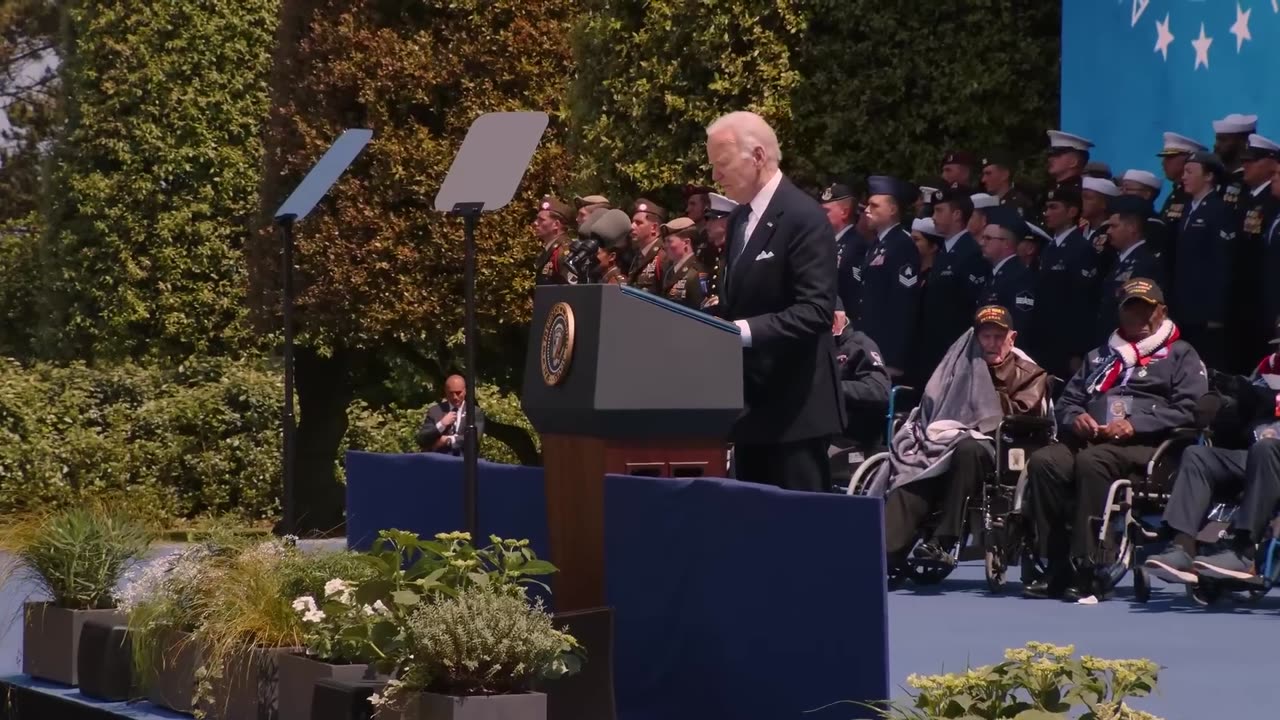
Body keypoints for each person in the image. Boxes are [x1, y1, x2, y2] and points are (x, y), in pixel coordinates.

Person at [1022, 278, 1207, 600]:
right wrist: (1075, 418)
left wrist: (1135, 424)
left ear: (1161, 311)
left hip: (1148, 447)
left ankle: (1090, 565)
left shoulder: (1180, 354)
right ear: (1121, 313)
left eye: (1146, 309)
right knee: (1044, 461)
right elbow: (1067, 402)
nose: (1140, 316)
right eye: (1132, 308)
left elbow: (1191, 410)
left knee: (1092, 462)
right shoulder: (1100, 356)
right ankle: (1055, 564)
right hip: (1093, 438)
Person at [703, 110, 844, 492]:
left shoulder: (804, 217)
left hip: (796, 409)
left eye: (723, 164)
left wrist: (740, 332)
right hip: (752, 407)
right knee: (754, 529)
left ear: (759, 156)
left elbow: (815, 310)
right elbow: (734, 301)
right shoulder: (738, 222)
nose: (716, 176)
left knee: (799, 534)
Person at [881, 305, 1048, 575]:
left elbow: (1021, 415)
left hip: (999, 447)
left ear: (1012, 338)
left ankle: (943, 541)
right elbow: (935, 402)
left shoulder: (1030, 374)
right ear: (975, 338)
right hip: (946, 440)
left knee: (968, 448)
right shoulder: (958, 366)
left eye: (998, 337)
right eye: (985, 337)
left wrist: (985, 392)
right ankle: (885, 551)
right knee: (914, 463)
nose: (991, 344)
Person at [1144, 325, 1280, 586]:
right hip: (1257, 455)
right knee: (1198, 455)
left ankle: (1243, 551)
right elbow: (1242, 422)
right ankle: (1181, 547)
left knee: (1265, 450)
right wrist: (1229, 402)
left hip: (1270, 455)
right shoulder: (1267, 371)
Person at [915, 187, 987, 385]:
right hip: (932, 349)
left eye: (939, 211)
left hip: (953, 349)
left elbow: (970, 303)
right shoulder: (945, 251)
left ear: (956, 214)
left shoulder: (971, 253)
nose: (934, 216)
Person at [1171, 151, 1234, 370]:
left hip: (1205, 307)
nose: (1184, 177)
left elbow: (1221, 263)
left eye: (1190, 171)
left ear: (1208, 176)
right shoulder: (1187, 208)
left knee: (1206, 364)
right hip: (1185, 304)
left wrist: (1216, 312)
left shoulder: (1218, 209)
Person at [856, 175, 921, 379]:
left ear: (892, 210)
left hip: (886, 351)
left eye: (875, 206)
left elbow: (903, 305)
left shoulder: (902, 245)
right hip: (870, 344)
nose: (867, 210)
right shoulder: (876, 245)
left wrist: (894, 358)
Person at [1030, 185, 1097, 380]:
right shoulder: (1050, 248)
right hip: (1044, 338)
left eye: (1054, 207)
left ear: (1072, 211)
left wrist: (1076, 351)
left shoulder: (1081, 248)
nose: (1047, 213)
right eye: (1047, 208)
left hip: (1065, 344)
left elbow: (1083, 303)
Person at [1096, 196, 1165, 344]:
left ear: (1132, 227)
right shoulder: (1119, 260)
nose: (1108, 231)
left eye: (1114, 226)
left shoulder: (1146, 262)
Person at [1238, 134, 1280, 362]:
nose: (1245, 165)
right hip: (1259, 300)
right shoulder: (1251, 199)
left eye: (1252, 160)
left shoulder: (1271, 204)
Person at [832, 310, 891, 448]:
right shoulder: (820, 346)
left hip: (851, 437)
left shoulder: (860, 345)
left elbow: (879, 391)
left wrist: (832, 387)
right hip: (820, 431)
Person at [978, 206, 1036, 332]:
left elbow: (1019, 323)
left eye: (988, 238)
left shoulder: (1019, 277)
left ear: (1006, 243)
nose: (981, 243)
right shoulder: (994, 274)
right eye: (982, 238)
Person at [821, 182, 870, 316]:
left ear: (844, 212)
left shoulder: (855, 246)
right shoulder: (829, 241)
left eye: (826, 211)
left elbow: (854, 291)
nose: (821, 215)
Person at [416, 375, 486, 456]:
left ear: (465, 391)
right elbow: (422, 440)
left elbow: (474, 439)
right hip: (439, 462)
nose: (455, 397)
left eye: (458, 393)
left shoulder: (474, 412)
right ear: (445, 391)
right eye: (451, 393)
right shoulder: (435, 411)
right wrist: (441, 424)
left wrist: (448, 440)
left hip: (464, 463)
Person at [1118, 169, 1169, 261]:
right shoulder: (1117, 218)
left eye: (1128, 189)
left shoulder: (1154, 224)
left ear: (1147, 194)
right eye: (1122, 189)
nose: (1123, 193)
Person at [1211, 113, 1257, 213]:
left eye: (1222, 140)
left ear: (1243, 142)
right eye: (1216, 139)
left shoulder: (1251, 182)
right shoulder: (1214, 179)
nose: (1216, 145)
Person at [697, 192, 736, 307]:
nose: (707, 225)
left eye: (712, 219)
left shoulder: (734, 254)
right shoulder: (720, 252)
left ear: (726, 223)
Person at [658, 217, 706, 309]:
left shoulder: (697, 273)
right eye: (665, 241)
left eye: (669, 241)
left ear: (686, 243)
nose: (664, 246)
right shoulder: (669, 270)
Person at [626, 198, 667, 293]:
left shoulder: (663, 256)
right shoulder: (638, 256)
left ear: (654, 227)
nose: (632, 227)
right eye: (633, 222)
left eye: (638, 223)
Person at [534, 195, 576, 285]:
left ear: (556, 225)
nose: (535, 223)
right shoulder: (550, 250)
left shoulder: (564, 252)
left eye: (541, 220)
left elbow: (573, 289)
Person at [980, 152, 1036, 218]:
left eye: (988, 173)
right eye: (983, 175)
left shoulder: (1019, 203)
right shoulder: (985, 204)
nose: (983, 180)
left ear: (1005, 175)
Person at [588, 208, 633, 285]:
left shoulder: (616, 283)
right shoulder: (602, 279)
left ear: (612, 257)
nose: (591, 257)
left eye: (596, 253)